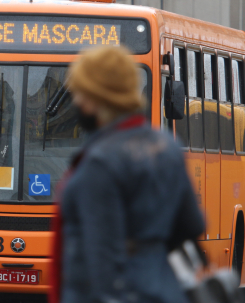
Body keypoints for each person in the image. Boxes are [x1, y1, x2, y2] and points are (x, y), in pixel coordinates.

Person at [50, 46, 205, 303]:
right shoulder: (166, 147)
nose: (75, 102)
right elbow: (192, 225)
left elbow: (102, 267)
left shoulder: (100, 163)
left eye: (80, 94)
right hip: (162, 290)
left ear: (96, 97)